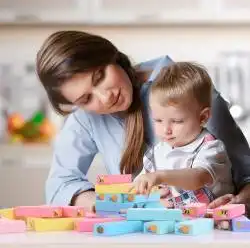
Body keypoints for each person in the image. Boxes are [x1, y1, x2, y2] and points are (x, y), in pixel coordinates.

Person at [36, 30, 250, 214]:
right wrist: (107, 203)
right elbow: (60, 184)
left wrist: (238, 203)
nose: (104, 97)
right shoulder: (86, 118)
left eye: (100, 76)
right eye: (86, 99)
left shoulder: (186, 92)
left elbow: (246, 175)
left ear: (110, 55)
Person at [132, 62, 234, 208]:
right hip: (181, 220)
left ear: (203, 117)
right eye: (158, 120)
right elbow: (144, 186)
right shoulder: (158, 151)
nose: (166, 129)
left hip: (214, 218)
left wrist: (159, 176)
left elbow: (197, 178)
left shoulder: (211, 148)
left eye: (177, 121)